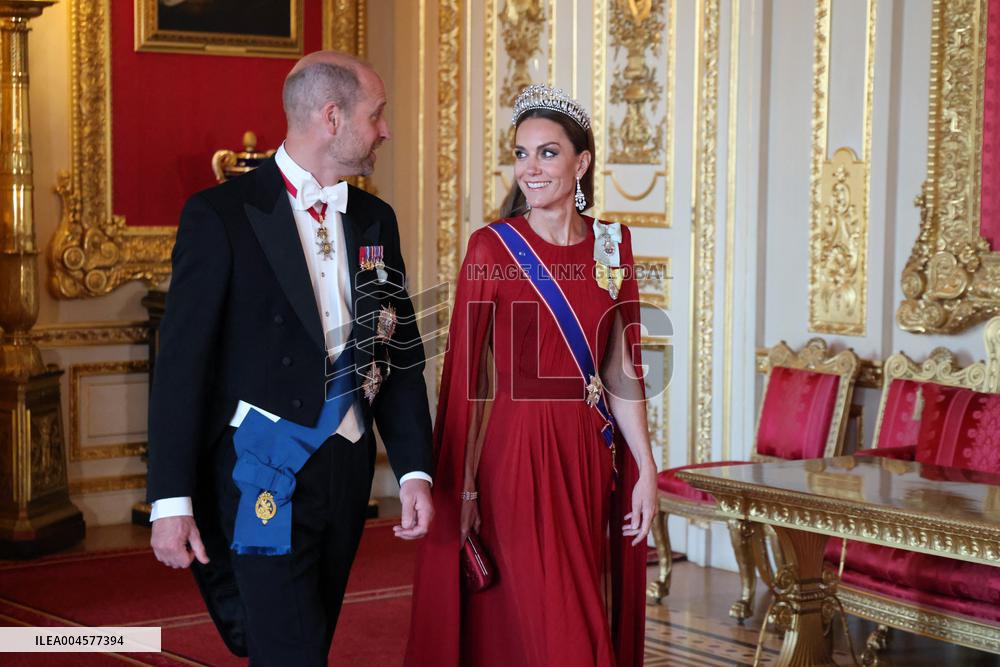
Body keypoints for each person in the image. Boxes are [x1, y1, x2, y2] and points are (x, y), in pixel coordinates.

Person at [146, 50, 435, 665]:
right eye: (376, 114)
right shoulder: (220, 216)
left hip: (344, 474)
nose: (385, 129)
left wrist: (413, 469)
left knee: (302, 643)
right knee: (291, 652)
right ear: (332, 117)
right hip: (262, 473)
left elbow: (396, 353)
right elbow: (180, 369)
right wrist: (170, 500)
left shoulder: (375, 219)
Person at [405, 84, 657, 667]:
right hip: (516, 455)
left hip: (590, 450)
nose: (530, 168)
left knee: (572, 604)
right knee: (559, 622)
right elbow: (470, 378)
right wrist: (464, 487)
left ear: (582, 162)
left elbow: (621, 367)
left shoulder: (613, 246)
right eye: (521, 153)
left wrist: (646, 466)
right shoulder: (492, 247)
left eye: (547, 152)